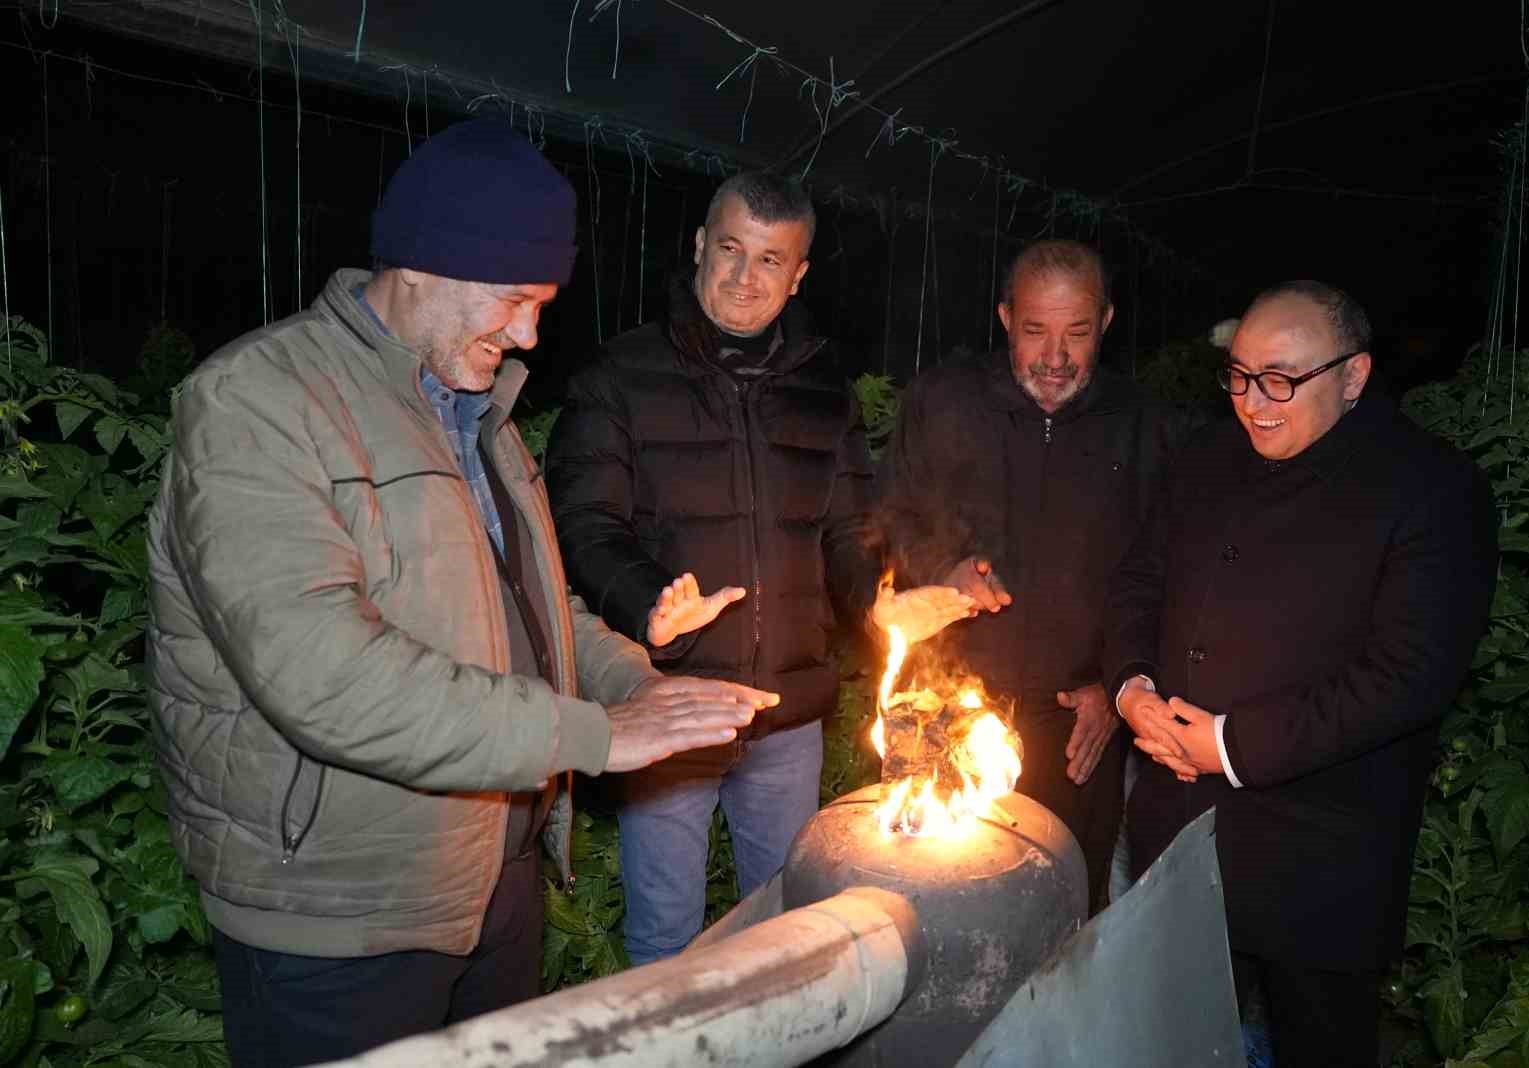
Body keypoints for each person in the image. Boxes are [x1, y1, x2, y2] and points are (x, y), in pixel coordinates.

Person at [145, 120, 777, 1068]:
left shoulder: (478, 412)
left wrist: (639, 686)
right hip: (338, 908)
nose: (528, 335)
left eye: (542, 306)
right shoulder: (256, 403)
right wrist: (598, 739)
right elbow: (323, 675)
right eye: (516, 300)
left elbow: (539, 608)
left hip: (492, 876)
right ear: (426, 264)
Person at [545, 171, 968, 964]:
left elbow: (848, 533)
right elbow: (584, 521)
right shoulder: (619, 374)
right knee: (664, 944)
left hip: (787, 716)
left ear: (799, 272)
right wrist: (646, 603)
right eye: (731, 249)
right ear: (700, 245)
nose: (745, 277)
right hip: (673, 707)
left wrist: (878, 607)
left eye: (771, 260)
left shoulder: (823, 390)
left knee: (782, 931)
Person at [1104, 280, 1497, 1065]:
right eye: (1241, 376)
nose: (1254, 402)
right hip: (1177, 824)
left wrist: (1230, 743)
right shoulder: (1205, 458)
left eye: (1282, 379)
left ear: (1354, 376)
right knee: (1170, 1037)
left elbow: (1410, 673)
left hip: (1320, 853)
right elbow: (1138, 582)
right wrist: (1131, 687)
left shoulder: (1431, 487)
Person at [878, 238, 1185, 902]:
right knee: (931, 905)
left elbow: (1165, 577)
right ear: (1004, 318)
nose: (1055, 358)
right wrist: (942, 572)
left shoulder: (1145, 428)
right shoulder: (943, 401)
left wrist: (1118, 686)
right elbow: (888, 520)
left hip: (1077, 726)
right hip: (945, 707)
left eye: (1076, 334)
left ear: (1106, 323)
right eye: (1034, 332)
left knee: (1064, 910)